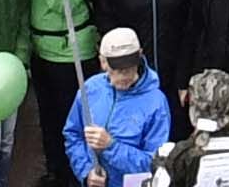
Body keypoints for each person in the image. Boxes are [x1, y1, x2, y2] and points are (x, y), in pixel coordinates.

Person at [68, 27, 176, 187]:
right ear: (103, 62)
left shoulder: (156, 102)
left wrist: (111, 146)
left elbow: (155, 163)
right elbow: (73, 135)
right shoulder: (90, 89)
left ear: (140, 55)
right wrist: (86, 172)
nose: (124, 76)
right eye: (117, 69)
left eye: (129, 67)